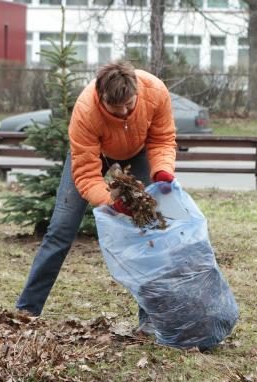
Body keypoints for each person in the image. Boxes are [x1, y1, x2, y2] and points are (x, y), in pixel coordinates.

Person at [16, 61, 177, 331]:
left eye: (129, 104)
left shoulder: (155, 91)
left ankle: (149, 319)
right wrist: (113, 202)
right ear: (101, 97)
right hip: (93, 156)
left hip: (140, 153)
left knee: (149, 232)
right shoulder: (85, 110)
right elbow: (88, 175)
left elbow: (162, 139)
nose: (125, 112)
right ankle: (27, 309)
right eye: (117, 108)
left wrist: (162, 171)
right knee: (60, 230)